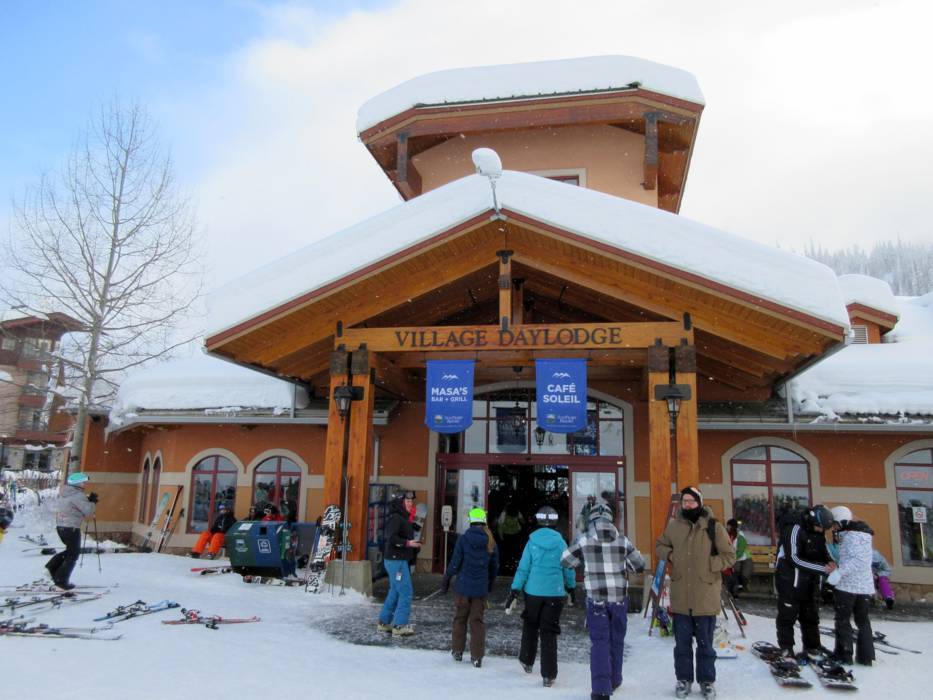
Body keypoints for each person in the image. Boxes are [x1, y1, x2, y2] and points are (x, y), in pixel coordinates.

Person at [656, 487, 734, 700]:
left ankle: (707, 681)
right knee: (681, 645)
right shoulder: (674, 526)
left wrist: (710, 564)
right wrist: (671, 556)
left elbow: (729, 556)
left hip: (705, 596)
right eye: (685, 501)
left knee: (705, 646)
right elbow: (660, 545)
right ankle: (684, 679)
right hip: (681, 596)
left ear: (699, 502)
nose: (688, 504)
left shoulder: (714, 526)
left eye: (691, 501)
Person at [563, 502, 645, 700]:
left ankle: (601, 690)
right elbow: (639, 565)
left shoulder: (584, 539)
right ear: (610, 519)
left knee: (599, 642)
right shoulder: (623, 540)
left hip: (596, 600)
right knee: (616, 640)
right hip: (619, 599)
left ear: (591, 519)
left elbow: (565, 561)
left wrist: (583, 560)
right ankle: (614, 679)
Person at [507, 505, 576, 687]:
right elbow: (568, 567)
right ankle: (548, 674)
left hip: (533, 592)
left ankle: (527, 660)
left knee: (530, 625)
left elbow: (523, 568)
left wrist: (514, 590)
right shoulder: (561, 543)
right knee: (549, 631)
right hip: (555, 593)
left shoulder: (531, 542)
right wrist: (571, 587)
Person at [774, 504, 836, 660]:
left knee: (810, 615)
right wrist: (822, 568)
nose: (821, 531)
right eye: (820, 527)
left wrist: (829, 561)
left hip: (809, 581)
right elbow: (793, 558)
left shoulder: (818, 532)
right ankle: (786, 648)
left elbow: (822, 550)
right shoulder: (794, 528)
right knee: (787, 616)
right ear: (813, 520)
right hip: (790, 580)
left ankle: (812, 646)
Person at [441, 507, 499, 667]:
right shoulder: (490, 541)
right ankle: (476, 657)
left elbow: (455, 563)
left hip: (463, 588)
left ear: (471, 521)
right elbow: (494, 567)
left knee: (460, 619)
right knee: (477, 622)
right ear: (484, 522)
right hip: (480, 590)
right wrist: (489, 584)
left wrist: (446, 579)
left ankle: (457, 651)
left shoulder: (463, 539)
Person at [828, 506, 875, 666]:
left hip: (848, 586)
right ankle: (866, 656)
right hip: (864, 586)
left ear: (842, 521)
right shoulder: (863, 536)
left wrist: (839, 572)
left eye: (835, 524)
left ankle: (844, 654)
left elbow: (856, 561)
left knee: (842, 620)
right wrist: (838, 566)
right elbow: (857, 560)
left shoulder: (851, 537)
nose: (834, 527)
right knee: (863, 621)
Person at [377, 490, 421, 636]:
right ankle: (399, 625)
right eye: (407, 501)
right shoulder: (396, 518)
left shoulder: (403, 517)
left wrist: (412, 541)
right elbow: (392, 538)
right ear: (401, 503)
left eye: (411, 502)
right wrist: (408, 543)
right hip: (396, 561)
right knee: (406, 592)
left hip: (397, 560)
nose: (410, 504)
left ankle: (384, 622)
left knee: (395, 591)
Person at [45, 472, 97, 590]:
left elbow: (74, 506)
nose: (85, 484)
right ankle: (61, 580)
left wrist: (88, 501)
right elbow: (88, 511)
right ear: (79, 484)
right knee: (73, 554)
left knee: (70, 552)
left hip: (62, 527)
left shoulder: (66, 493)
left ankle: (52, 569)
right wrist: (93, 502)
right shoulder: (78, 495)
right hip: (71, 528)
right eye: (84, 482)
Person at [724, 518, 753, 599]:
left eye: (729, 526)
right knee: (733, 574)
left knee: (743, 575)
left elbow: (741, 550)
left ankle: (740, 589)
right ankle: (734, 592)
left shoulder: (740, 536)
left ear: (733, 526)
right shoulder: (728, 535)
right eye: (727, 525)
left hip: (744, 558)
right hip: (734, 559)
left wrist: (733, 558)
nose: (727, 527)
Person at [497, 501, 525, 571]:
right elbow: (522, 521)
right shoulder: (517, 512)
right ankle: (512, 564)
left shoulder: (504, 513)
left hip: (506, 534)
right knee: (514, 550)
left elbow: (500, 525)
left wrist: (500, 535)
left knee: (506, 550)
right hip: (515, 534)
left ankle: (505, 565)